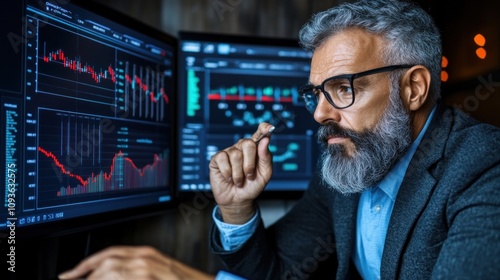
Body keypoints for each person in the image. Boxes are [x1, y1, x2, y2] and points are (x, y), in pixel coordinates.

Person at [58, 0, 500, 279]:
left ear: (414, 88)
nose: (320, 113)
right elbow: (277, 270)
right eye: (315, 93)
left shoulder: (484, 166)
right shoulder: (347, 169)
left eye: (343, 87)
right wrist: (236, 208)